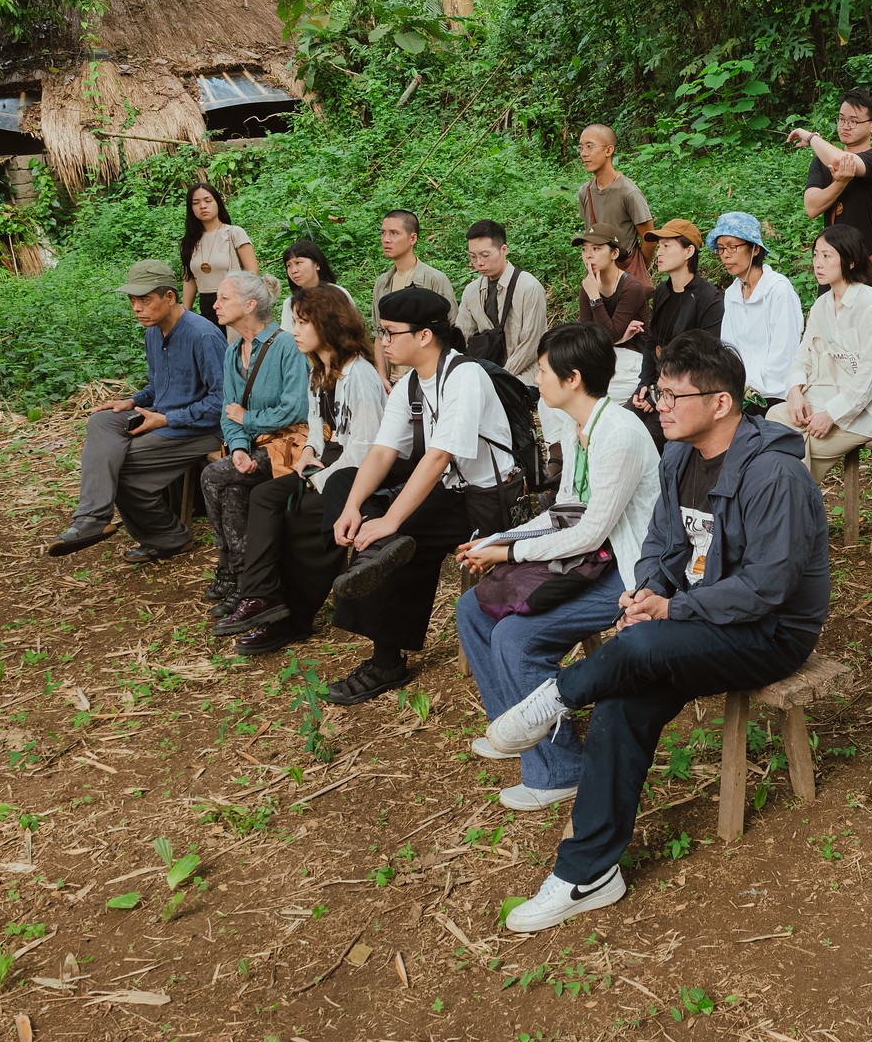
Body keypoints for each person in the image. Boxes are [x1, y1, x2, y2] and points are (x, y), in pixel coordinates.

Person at [479, 332, 828, 933]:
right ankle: (586, 872)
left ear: (720, 403)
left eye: (670, 395)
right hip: (695, 619)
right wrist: (648, 592)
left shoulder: (774, 475)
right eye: (656, 392)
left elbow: (767, 589)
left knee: (636, 649)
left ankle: (553, 699)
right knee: (622, 698)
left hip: (768, 634)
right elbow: (662, 546)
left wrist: (671, 613)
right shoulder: (677, 457)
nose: (656, 404)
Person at [455, 324, 662, 812]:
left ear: (572, 378)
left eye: (543, 371)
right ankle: (520, 732)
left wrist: (507, 554)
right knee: (471, 609)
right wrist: (502, 538)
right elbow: (565, 508)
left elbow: (592, 531)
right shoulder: (579, 426)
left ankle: (559, 770)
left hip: (625, 568)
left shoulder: (621, 434)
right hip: (586, 558)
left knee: (515, 638)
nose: (537, 379)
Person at [323, 287, 514, 704]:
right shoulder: (410, 381)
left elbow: (440, 456)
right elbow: (381, 450)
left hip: (486, 502)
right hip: (448, 493)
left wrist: (390, 519)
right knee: (344, 485)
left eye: (390, 333)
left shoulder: (464, 375)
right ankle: (382, 549)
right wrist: (354, 506)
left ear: (424, 335)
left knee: (401, 531)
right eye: (381, 332)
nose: (383, 342)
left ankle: (386, 661)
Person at [214, 285, 386, 645]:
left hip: (358, 471)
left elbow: (368, 449)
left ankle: (294, 619)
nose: (294, 330)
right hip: (328, 461)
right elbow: (315, 427)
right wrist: (308, 453)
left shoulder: (361, 376)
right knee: (265, 497)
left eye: (303, 322)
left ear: (329, 325)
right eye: (294, 321)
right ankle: (262, 596)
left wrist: (320, 478)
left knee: (302, 515)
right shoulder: (317, 371)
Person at [47, 260, 227, 563]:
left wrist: (167, 418)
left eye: (145, 299)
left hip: (202, 429)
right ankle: (91, 519)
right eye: (132, 300)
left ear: (169, 297)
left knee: (117, 466)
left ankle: (167, 537)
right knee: (102, 420)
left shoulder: (203, 335)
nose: (136, 307)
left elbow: (223, 402)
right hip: (163, 416)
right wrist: (132, 401)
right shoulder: (154, 333)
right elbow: (158, 386)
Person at [200, 272, 310, 603]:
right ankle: (246, 578)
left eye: (223, 298)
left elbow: (294, 408)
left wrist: (248, 419)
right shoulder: (233, 352)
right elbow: (226, 411)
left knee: (211, 475)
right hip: (255, 448)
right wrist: (237, 448)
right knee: (232, 489)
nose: (214, 304)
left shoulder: (288, 345)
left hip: (288, 447)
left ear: (249, 306)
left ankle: (228, 567)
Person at [768, 222, 872, 482]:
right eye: (816, 255)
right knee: (775, 417)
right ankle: (794, 504)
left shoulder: (870, 304)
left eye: (827, 255)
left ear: (850, 261)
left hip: (869, 406)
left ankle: (796, 508)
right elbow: (803, 356)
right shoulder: (821, 305)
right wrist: (795, 392)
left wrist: (831, 414)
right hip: (826, 393)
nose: (818, 263)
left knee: (795, 444)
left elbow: (871, 376)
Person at [787, 87, 872, 314]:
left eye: (854, 121)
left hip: (870, 267)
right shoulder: (820, 163)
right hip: (832, 266)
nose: (845, 126)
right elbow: (812, 207)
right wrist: (839, 183)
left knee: (869, 338)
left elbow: (842, 161)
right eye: (841, 119)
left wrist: (811, 137)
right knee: (830, 338)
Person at [629, 219, 723, 447]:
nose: (658, 252)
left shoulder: (709, 299)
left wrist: (660, 393)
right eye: (659, 246)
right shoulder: (662, 291)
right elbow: (652, 342)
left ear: (688, 251)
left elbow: (703, 360)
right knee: (621, 424)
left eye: (666, 246)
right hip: (656, 387)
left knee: (642, 441)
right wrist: (644, 385)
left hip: (685, 395)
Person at [708, 211, 801, 413]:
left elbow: (785, 353)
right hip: (740, 389)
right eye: (721, 249)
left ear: (755, 249)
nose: (726, 254)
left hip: (774, 392)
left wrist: (751, 388)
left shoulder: (777, 290)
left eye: (733, 247)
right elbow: (729, 347)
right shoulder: (733, 292)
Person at [370, 210, 457, 385]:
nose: (386, 239)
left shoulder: (434, 279)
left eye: (394, 233)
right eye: (383, 233)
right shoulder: (382, 282)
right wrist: (381, 376)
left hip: (426, 379)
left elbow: (451, 331)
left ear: (413, 238)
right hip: (392, 381)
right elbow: (379, 334)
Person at [457, 219, 548, 384]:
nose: (479, 262)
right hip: (483, 375)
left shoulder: (529, 287)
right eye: (473, 257)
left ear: (503, 250)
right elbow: (462, 337)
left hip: (524, 376)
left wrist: (499, 377)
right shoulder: (471, 291)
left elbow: (532, 344)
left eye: (485, 255)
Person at [575, 225, 650, 406]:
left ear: (614, 254)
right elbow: (586, 337)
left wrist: (595, 298)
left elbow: (608, 335)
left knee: (594, 398)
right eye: (585, 249)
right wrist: (616, 339)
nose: (588, 255)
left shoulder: (630, 286)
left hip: (632, 359)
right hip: (601, 356)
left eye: (596, 248)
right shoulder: (588, 286)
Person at [576, 123, 654, 282]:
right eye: (581, 147)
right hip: (597, 277)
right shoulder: (585, 192)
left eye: (590, 146)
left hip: (626, 277)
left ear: (608, 150)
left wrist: (637, 268)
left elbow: (649, 239)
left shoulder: (628, 192)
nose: (583, 153)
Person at [178, 183, 257, 321]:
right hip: (206, 306)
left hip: (234, 303)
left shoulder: (234, 233)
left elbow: (252, 272)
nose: (203, 206)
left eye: (208, 201)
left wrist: (247, 302)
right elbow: (189, 279)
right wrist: (185, 314)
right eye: (196, 203)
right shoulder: (190, 241)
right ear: (191, 208)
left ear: (218, 203)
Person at [278, 240, 354, 331]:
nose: (293, 270)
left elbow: (350, 332)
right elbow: (287, 339)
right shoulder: (289, 303)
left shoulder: (337, 295)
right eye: (288, 265)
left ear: (317, 264)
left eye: (298, 262)